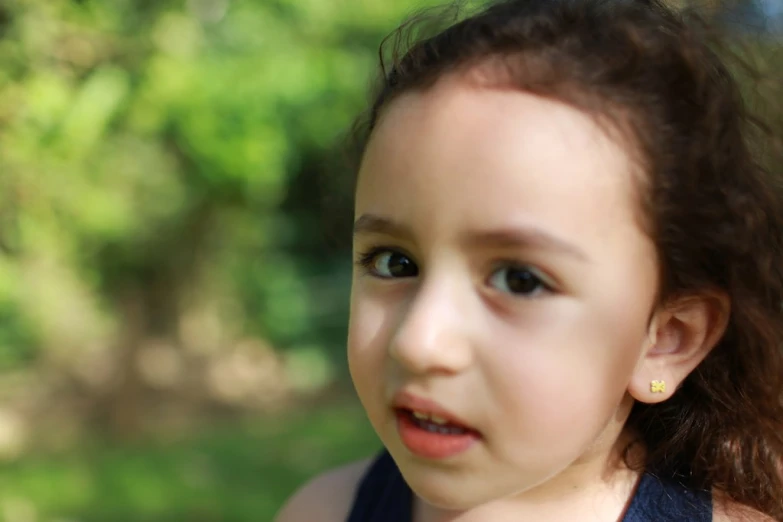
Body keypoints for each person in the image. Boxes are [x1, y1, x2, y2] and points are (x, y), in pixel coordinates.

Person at [276, 0, 783, 520]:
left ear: (666, 339)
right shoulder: (321, 511)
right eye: (395, 263)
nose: (419, 342)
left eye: (519, 280)